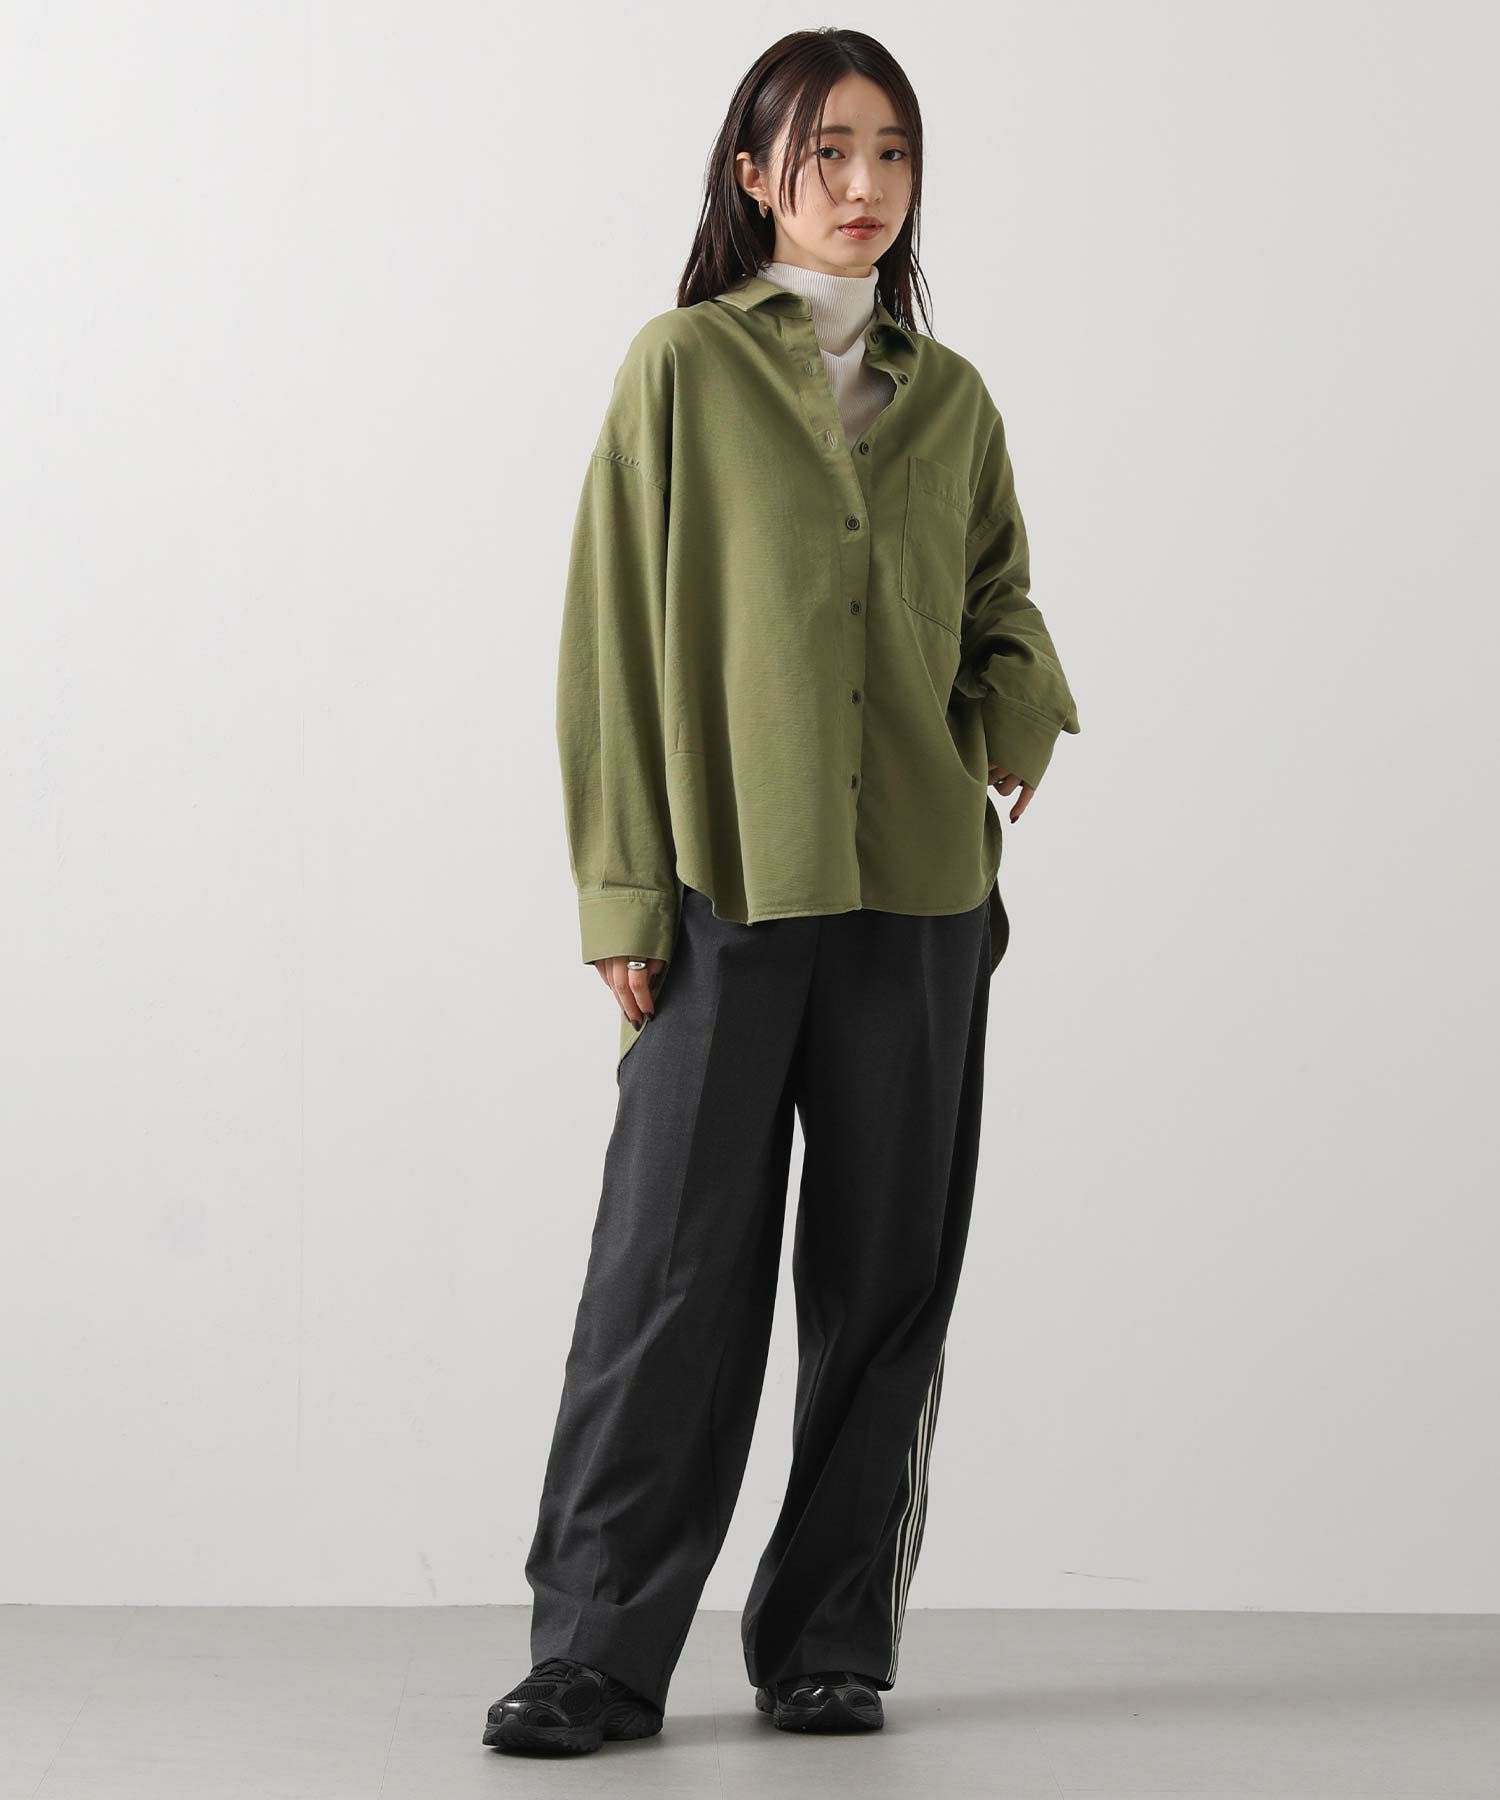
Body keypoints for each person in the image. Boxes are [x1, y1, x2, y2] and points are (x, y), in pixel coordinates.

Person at [484, 26, 1080, 1756]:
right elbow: (611, 634)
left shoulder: (951, 398)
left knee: (887, 1283)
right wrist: (620, 894)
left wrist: (1017, 706)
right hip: (725, 883)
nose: (864, 185)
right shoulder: (679, 368)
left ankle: (830, 1642)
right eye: (826, 152)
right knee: (668, 1273)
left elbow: (1001, 596)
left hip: (919, 895)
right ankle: (597, 1655)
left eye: (891, 152)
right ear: (755, 177)